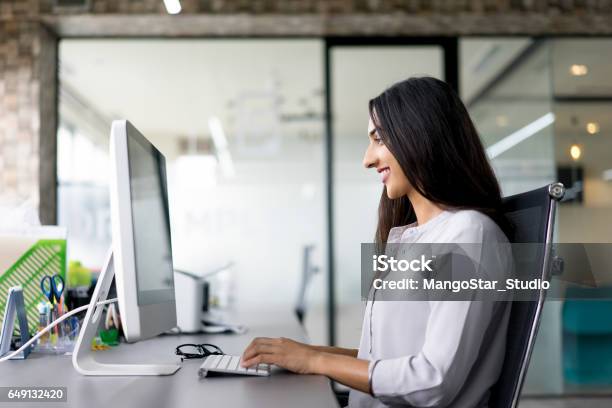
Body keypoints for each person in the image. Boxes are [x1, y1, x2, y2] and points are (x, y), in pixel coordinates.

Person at [241, 76, 513, 407]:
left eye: (379, 139)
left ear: (420, 136)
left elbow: (432, 381)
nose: (368, 159)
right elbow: (384, 358)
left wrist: (314, 362)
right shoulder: (414, 236)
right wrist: (306, 353)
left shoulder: (469, 235)